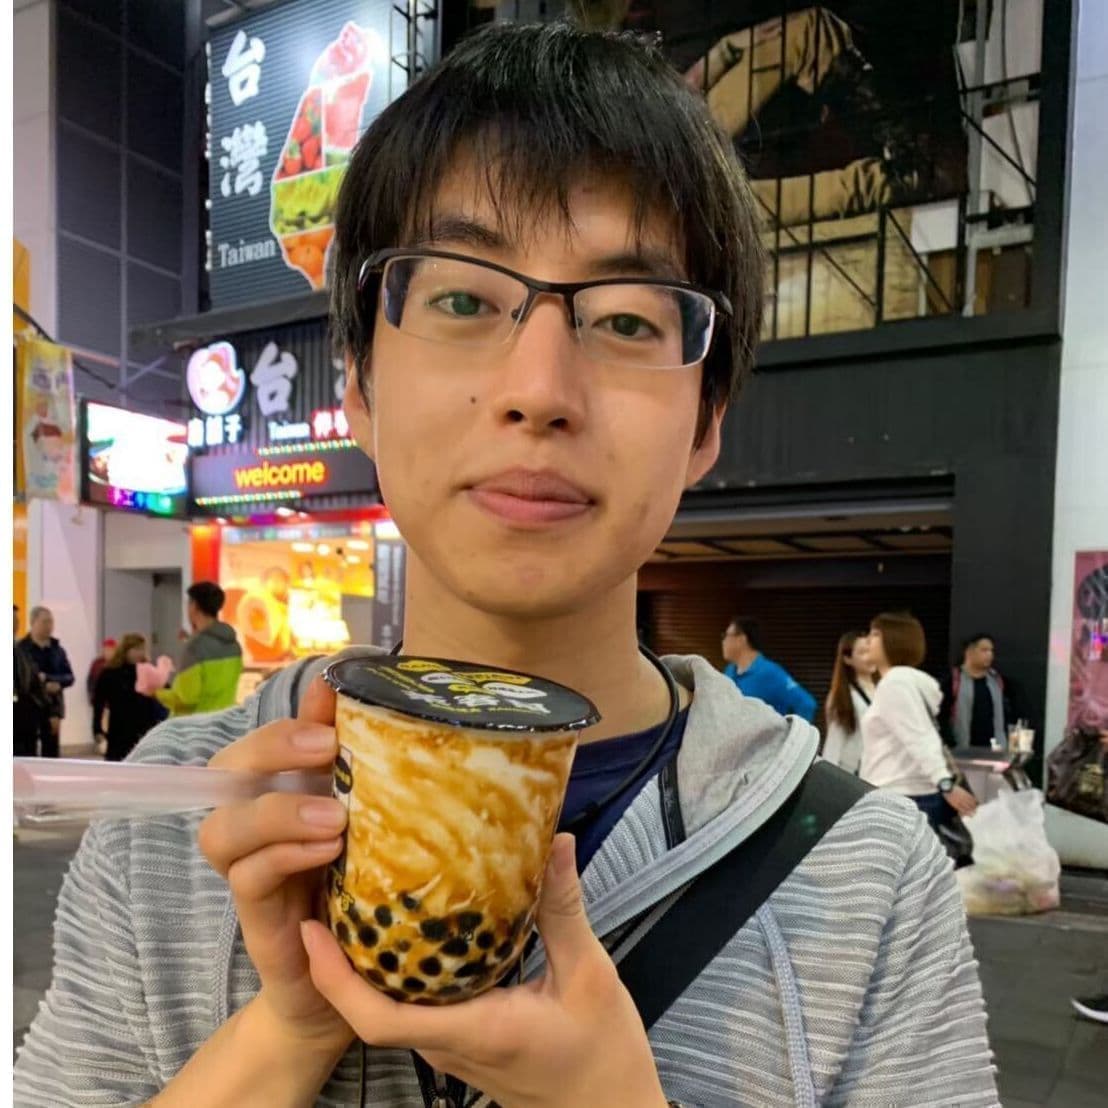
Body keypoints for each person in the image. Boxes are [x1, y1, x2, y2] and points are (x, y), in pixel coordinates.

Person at [15, 23, 997, 1106]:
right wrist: (289, 1029)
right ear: (360, 388)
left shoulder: (863, 872)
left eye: (627, 319)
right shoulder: (177, 820)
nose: (539, 389)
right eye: (462, 300)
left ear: (706, 420)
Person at [861, 612, 977, 835]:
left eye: (875, 634)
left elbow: (919, 736)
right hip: (909, 794)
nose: (867, 640)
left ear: (893, 639)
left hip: (898, 795)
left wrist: (945, 783)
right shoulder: (905, 682)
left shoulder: (896, 682)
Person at [156, 582, 243, 717]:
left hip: (194, 725)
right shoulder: (234, 646)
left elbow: (186, 700)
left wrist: (156, 693)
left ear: (194, 606)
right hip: (222, 722)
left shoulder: (194, 648)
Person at [721, 616, 817, 720]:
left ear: (742, 639)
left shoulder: (770, 673)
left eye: (726, 636)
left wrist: (792, 730)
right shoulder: (729, 672)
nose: (723, 641)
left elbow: (807, 704)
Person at [92, 633, 168, 762]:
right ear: (125, 650)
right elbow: (98, 702)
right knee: (118, 763)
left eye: (142, 649)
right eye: (136, 649)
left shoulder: (148, 671)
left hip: (145, 726)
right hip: (119, 727)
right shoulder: (110, 673)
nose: (139, 653)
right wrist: (97, 728)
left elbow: (163, 693)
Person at [15, 605, 74, 758]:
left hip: (52, 706)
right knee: (27, 749)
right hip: (28, 707)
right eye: (45, 622)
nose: (49, 626)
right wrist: (40, 683)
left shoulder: (57, 650)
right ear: (33, 622)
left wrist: (51, 680)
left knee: (51, 751)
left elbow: (69, 676)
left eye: (51, 622)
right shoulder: (21, 648)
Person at [940, 632, 1014, 748]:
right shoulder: (953, 680)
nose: (990, 654)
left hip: (994, 750)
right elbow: (941, 716)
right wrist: (950, 742)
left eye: (991, 651)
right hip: (962, 749)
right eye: (984, 650)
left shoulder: (997, 681)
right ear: (969, 652)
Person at [823, 630, 877, 775]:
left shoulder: (884, 689)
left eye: (871, 651)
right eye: (862, 653)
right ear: (847, 659)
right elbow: (834, 743)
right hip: (855, 774)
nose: (869, 657)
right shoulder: (843, 697)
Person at [85, 638, 117, 705]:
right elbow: (90, 680)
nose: (107, 652)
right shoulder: (97, 663)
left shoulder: (119, 663)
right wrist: (92, 695)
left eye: (110, 650)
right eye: (105, 649)